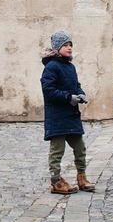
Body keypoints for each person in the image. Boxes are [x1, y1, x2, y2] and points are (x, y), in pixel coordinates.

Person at [40, 30, 94, 196]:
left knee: (80, 148)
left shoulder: (70, 67)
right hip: (57, 117)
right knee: (57, 150)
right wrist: (68, 97)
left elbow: (75, 85)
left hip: (71, 116)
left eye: (70, 44)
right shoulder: (51, 67)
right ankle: (56, 181)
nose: (69, 48)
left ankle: (82, 176)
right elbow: (48, 90)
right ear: (57, 48)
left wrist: (80, 93)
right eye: (65, 45)